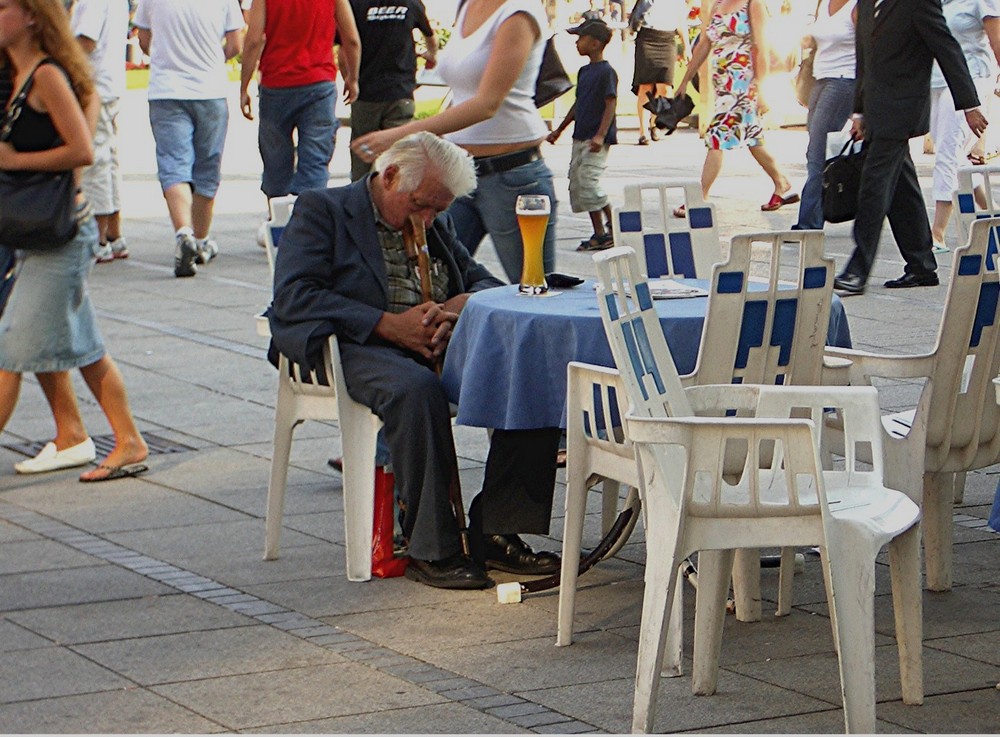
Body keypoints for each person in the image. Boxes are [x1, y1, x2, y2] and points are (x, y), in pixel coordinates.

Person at [268, 132, 562, 589]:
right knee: (414, 389)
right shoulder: (323, 211)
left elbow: (483, 282)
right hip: (353, 345)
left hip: (429, 340)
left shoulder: (431, 220)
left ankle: (498, 529)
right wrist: (386, 324)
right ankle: (432, 548)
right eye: (421, 205)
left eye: (438, 210)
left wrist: (457, 307)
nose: (427, 219)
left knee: (527, 372)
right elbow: (293, 297)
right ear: (389, 177)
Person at [0, 0, 148, 482]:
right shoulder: (17, 73)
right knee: (82, 347)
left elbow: (81, 147)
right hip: (37, 232)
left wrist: (13, 162)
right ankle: (123, 440)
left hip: (60, 234)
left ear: (31, 16)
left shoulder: (46, 75)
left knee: (9, 352)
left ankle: (107, 439)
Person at [350, 0, 559, 285]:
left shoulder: (518, 12)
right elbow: (462, 97)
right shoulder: (468, 6)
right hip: (457, 174)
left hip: (512, 175)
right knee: (433, 278)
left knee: (532, 288)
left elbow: (487, 104)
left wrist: (399, 134)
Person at [833, 0, 987, 296]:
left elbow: (946, 48)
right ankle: (921, 266)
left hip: (904, 107)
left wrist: (969, 104)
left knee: (874, 185)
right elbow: (864, 58)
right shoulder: (866, 4)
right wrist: (859, 111)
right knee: (903, 189)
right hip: (877, 108)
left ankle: (857, 269)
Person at [133, 0, 243, 278]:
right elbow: (235, 45)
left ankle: (184, 234)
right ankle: (201, 240)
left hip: (166, 90)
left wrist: (163, 54)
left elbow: (143, 37)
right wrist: (212, 57)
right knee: (207, 167)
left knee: (174, 164)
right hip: (209, 89)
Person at [673, 0, 798, 217]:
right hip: (723, 84)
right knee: (752, 137)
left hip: (742, 84)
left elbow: (761, 46)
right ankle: (782, 183)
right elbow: (704, 44)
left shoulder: (752, 4)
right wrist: (685, 79)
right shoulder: (718, 5)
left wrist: (762, 87)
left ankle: (700, 196)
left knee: (717, 135)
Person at [239, 0, 361, 208]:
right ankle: (308, 225)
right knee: (314, 164)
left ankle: (278, 224)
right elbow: (351, 39)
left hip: (276, 85)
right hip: (319, 85)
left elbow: (253, 40)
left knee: (276, 164)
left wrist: (244, 86)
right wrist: (353, 78)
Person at [928, 0, 1000, 254]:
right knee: (953, 153)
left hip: (973, 77)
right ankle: (992, 211)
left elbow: (997, 41)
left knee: (948, 151)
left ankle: (937, 234)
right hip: (937, 78)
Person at [547, 17, 618, 252]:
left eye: (581, 39)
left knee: (589, 182)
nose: (577, 43)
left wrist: (600, 135)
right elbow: (578, 104)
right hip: (580, 136)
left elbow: (610, 104)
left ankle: (615, 227)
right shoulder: (584, 71)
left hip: (596, 140)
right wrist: (560, 129)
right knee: (578, 184)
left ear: (596, 43)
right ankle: (599, 233)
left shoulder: (606, 72)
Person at [348, 0, 437, 182]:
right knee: (399, 155)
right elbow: (430, 36)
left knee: (362, 154)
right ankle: (396, 201)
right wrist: (431, 56)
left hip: (366, 93)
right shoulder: (410, 2)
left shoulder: (356, 4)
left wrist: (350, 78)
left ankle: (360, 200)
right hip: (400, 90)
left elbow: (348, 43)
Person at [70, 0, 130, 263]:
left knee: (96, 163)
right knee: (109, 161)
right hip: (109, 85)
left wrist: (59, 53)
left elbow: (86, 41)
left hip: (95, 88)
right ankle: (114, 234)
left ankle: (99, 237)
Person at [792, 0, 857, 231]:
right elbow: (814, 40)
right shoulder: (823, 4)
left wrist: (861, 109)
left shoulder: (857, 7)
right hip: (820, 79)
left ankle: (809, 222)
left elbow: (870, 50)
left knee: (817, 152)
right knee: (814, 150)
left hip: (844, 80)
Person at [628, 0, 687, 145]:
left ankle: (654, 121)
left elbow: (681, 22)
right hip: (647, 37)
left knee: (665, 87)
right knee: (645, 86)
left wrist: (687, 47)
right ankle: (643, 132)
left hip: (667, 39)